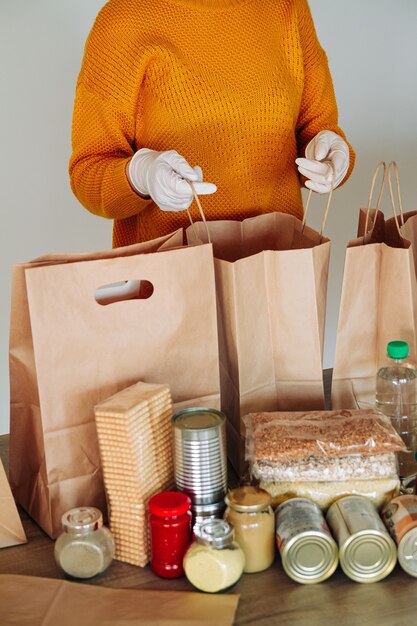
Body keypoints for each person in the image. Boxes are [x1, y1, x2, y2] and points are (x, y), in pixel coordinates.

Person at [69, 0, 355, 248]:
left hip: (276, 271)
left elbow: (317, 130)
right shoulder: (123, 20)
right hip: (171, 283)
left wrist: (330, 154)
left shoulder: (286, 8)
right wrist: (139, 175)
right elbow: (89, 171)